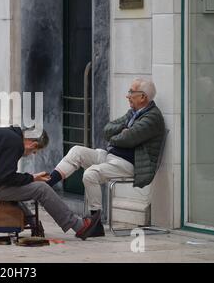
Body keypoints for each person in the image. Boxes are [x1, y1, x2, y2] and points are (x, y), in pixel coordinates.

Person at [46, 78, 166, 237]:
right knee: (76, 151)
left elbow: (128, 138)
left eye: (131, 92)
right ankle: (48, 183)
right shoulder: (133, 112)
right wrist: (120, 132)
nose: (127, 96)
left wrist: (118, 136)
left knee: (90, 174)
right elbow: (108, 129)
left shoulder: (152, 118)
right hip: (111, 157)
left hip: (130, 165)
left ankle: (95, 223)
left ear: (143, 97)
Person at [0, 126, 102, 241]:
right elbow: (5, 177)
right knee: (42, 189)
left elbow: (4, 177)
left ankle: (29, 220)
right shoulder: (13, 142)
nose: (32, 154)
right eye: (35, 151)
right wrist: (32, 179)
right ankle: (79, 226)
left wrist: (31, 178)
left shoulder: (7, 135)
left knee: (28, 186)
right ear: (32, 143)